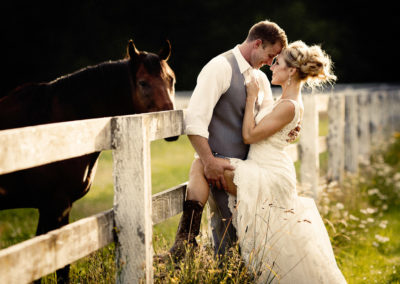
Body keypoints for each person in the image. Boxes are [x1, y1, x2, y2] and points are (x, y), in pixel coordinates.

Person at [181, 41, 347, 283]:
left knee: (204, 164)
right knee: (203, 163)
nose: (272, 66)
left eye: (277, 62)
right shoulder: (283, 102)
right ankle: (186, 238)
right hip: (261, 166)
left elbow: (249, 135)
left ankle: (185, 241)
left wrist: (250, 98)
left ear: (291, 71)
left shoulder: (289, 106)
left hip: (269, 173)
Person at [164, 20, 289, 261]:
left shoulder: (261, 80)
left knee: (253, 243)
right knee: (227, 242)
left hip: (254, 171)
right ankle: (186, 245)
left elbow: (268, 121)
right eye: (270, 55)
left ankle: (185, 242)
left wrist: (288, 129)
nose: (269, 63)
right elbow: (195, 120)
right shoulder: (219, 67)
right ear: (257, 44)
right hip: (222, 171)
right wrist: (208, 160)